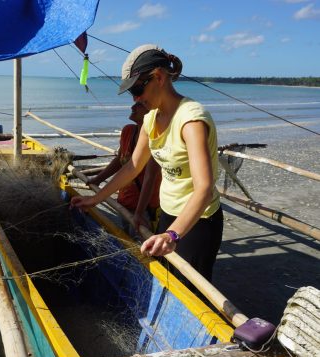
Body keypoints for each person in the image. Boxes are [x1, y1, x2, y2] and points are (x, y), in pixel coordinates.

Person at [71, 44, 223, 281]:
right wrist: (95, 199)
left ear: (159, 77)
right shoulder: (151, 119)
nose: (136, 98)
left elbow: (204, 188)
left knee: (194, 291)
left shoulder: (191, 120)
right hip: (168, 213)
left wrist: (172, 235)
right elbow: (132, 166)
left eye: (138, 89)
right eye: (132, 93)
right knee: (168, 281)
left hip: (198, 220)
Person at [88, 102, 161, 237]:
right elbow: (119, 160)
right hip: (124, 201)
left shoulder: (155, 139)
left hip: (144, 207)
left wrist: (139, 212)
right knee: (127, 238)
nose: (132, 107)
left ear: (151, 112)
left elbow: (150, 179)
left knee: (142, 247)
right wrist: (98, 179)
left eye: (139, 105)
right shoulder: (128, 131)